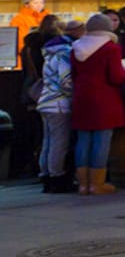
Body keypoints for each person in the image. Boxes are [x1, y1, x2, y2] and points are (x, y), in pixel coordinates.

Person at [70, 13, 125, 195]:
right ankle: (97, 184)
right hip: (105, 98)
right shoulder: (110, 48)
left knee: (83, 140)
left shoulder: (75, 48)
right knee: (101, 140)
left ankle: (83, 184)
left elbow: (74, 75)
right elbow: (116, 77)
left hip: (82, 97)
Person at [34, 19, 78, 194]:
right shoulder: (64, 54)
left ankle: (45, 174)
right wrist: (72, 95)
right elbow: (66, 80)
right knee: (60, 143)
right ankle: (57, 177)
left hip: (45, 101)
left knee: (48, 141)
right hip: (59, 104)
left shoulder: (49, 55)